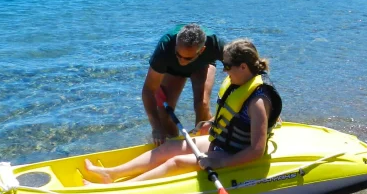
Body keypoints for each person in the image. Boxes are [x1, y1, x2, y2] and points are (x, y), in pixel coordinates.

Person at [83, 39, 282, 184]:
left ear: (244, 67)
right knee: (168, 148)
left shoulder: (257, 100)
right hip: (221, 144)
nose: (224, 71)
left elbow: (256, 150)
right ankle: (112, 173)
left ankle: (122, 190)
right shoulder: (240, 82)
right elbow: (235, 118)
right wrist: (212, 124)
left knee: (176, 162)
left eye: (227, 67)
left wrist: (222, 163)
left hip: (234, 153)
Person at [142, 24, 225, 146]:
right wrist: (156, 127)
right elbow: (148, 90)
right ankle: (171, 142)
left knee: (202, 104)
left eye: (187, 58)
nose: (182, 61)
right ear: (175, 45)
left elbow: (238, 69)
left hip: (201, 65)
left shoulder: (215, 44)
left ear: (202, 50)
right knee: (164, 114)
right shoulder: (165, 47)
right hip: (172, 69)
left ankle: (202, 140)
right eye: (178, 55)